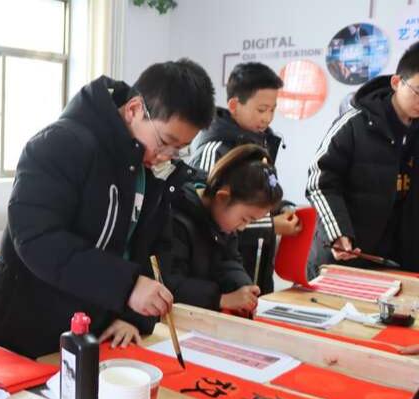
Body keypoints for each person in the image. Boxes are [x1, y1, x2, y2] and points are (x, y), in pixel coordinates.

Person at [0, 59, 216, 357]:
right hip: (23, 337)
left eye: (178, 149)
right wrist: (127, 286)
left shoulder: (150, 170)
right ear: (134, 109)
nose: (166, 156)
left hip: (93, 338)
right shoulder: (60, 144)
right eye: (165, 142)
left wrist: (133, 316)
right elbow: (37, 240)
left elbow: (154, 250)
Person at [306, 42, 419, 279]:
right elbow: (320, 181)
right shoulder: (355, 124)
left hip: (399, 261)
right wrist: (337, 232)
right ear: (396, 82)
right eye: (417, 91)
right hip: (348, 255)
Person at [189, 62, 300, 295]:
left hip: (253, 268)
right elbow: (206, 216)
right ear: (234, 105)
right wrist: (271, 225)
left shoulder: (261, 145)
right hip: (219, 279)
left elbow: (257, 195)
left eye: (272, 110)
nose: (268, 118)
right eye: (261, 109)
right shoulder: (214, 149)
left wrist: (282, 208)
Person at [169, 145, 283, 315]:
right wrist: (221, 299)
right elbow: (170, 283)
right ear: (222, 197)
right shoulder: (178, 218)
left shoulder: (222, 221)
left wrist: (244, 286)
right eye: (245, 219)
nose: (243, 227)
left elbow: (230, 261)